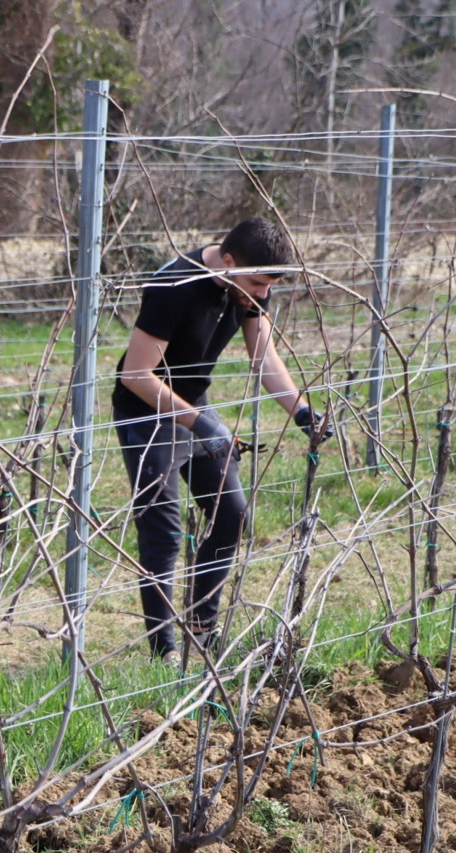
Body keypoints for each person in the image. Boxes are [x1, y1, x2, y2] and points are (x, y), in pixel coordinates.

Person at [111, 217, 330, 662]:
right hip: (146, 413)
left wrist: (302, 412)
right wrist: (202, 424)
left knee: (230, 513)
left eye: (271, 285)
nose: (263, 295)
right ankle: (164, 652)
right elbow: (136, 375)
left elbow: (263, 356)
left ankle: (201, 630)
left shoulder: (245, 286)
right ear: (227, 262)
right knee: (164, 534)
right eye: (257, 283)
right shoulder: (175, 287)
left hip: (193, 406)